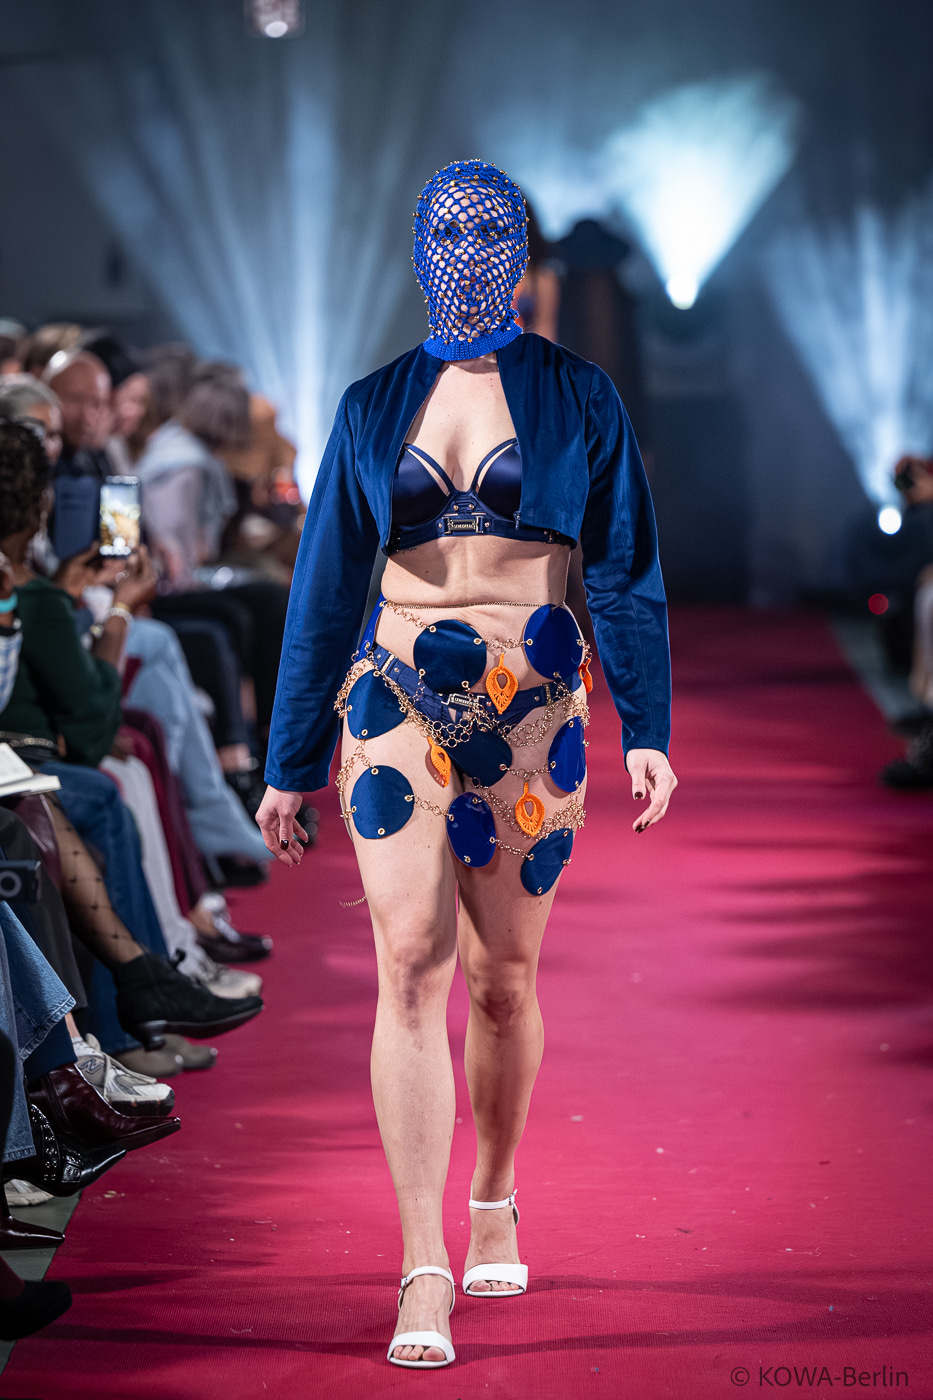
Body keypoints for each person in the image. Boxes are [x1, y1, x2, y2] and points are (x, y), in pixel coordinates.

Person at [257, 160, 676, 1369]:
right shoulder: (373, 402)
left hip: (536, 711)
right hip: (394, 699)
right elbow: (325, 586)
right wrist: (289, 758)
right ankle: (421, 1261)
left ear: (524, 250)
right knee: (406, 961)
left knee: (502, 977)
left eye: (493, 228)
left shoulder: (579, 394)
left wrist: (648, 724)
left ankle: (493, 1193)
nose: (471, 248)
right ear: (418, 246)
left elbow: (625, 567)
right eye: (448, 228)